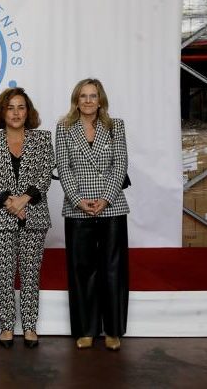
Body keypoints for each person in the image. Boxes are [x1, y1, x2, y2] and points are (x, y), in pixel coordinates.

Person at [55, 78, 130, 351]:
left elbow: (120, 163)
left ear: (101, 100)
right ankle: (86, 329)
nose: (88, 101)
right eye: (83, 96)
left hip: (112, 205)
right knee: (82, 270)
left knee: (113, 270)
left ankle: (113, 330)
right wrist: (78, 200)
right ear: (76, 100)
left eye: (93, 96)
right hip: (78, 207)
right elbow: (63, 167)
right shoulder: (64, 127)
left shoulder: (115, 126)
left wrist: (106, 198)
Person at [0, 88, 54, 349]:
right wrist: (10, 203)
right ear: (2, 112)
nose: (16, 113)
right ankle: (7, 327)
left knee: (31, 274)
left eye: (21, 107)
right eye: (10, 107)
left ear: (28, 112)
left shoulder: (42, 139)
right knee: (4, 274)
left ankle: (30, 326)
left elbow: (45, 175)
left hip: (34, 217)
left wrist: (24, 200)